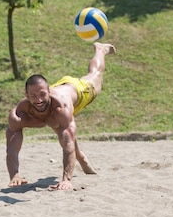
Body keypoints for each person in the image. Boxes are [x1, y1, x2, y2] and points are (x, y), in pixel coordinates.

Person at [6, 42, 116, 190]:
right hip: (57, 96)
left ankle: (100, 50)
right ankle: (81, 157)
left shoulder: (60, 109)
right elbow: (11, 147)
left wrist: (66, 179)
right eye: (33, 96)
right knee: (58, 125)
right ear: (26, 95)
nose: (38, 100)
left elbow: (68, 142)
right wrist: (14, 175)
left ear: (49, 92)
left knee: (95, 75)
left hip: (77, 91)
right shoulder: (19, 114)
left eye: (42, 95)